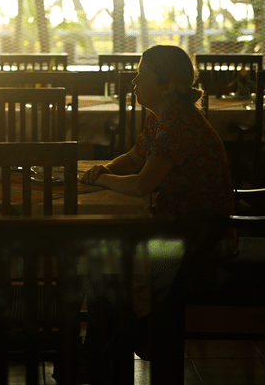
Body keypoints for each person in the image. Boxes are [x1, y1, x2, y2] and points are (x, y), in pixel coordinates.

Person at [80, 44, 237, 359]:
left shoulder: (180, 123)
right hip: (175, 218)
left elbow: (141, 186)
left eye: (142, 76)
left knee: (108, 255)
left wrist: (99, 180)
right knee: (103, 251)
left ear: (168, 86)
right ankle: (105, 345)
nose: (134, 83)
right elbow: (135, 157)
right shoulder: (161, 116)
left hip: (200, 231)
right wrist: (106, 169)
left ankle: (130, 338)